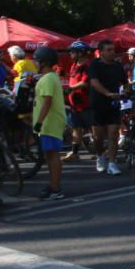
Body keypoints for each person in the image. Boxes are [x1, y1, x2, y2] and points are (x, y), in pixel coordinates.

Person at [88, 39, 127, 175]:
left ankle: (112, 163)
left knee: (113, 133)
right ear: (101, 52)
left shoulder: (117, 66)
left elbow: (125, 82)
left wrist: (125, 91)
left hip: (113, 105)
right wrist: (107, 93)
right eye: (108, 50)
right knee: (98, 137)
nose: (112, 52)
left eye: (113, 50)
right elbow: (94, 82)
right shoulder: (94, 64)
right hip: (98, 104)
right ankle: (100, 156)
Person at [31, 46, 66, 200]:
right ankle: (53, 185)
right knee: (50, 155)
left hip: (49, 123)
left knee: (52, 155)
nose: (35, 64)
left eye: (37, 61)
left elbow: (47, 102)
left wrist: (39, 122)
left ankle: (55, 188)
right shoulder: (50, 78)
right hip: (51, 122)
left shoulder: (47, 79)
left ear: (44, 62)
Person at [62, 41, 93, 162]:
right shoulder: (74, 65)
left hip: (85, 102)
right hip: (75, 103)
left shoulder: (87, 66)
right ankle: (74, 153)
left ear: (81, 53)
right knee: (76, 128)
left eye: (73, 51)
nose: (70, 53)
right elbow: (73, 78)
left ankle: (101, 153)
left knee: (92, 128)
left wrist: (71, 88)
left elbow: (85, 82)